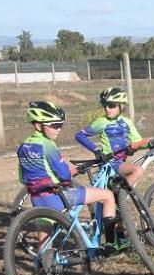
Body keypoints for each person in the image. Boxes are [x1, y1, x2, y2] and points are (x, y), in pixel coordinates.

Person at [17, 101, 124, 249]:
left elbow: (23, 178)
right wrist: (73, 172)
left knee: (44, 245)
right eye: (54, 125)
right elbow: (64, 175)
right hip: (56, 197)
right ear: (38, 125)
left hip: (36, 198)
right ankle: (113, 243)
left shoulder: (23, 147)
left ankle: (44, 265)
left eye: (60, 124)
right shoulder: (48, 145)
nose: (59, 129)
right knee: (107, 196)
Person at [74, 87, 154, 187]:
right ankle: (118, 192)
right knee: (138, 170)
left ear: (122, 106)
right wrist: (96, 150)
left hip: (121, 162)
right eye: (104, 105)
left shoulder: (127, 122)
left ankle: (117, 195)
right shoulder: (102, 122)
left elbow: (138, 142)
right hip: (111, 163)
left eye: (111, 105)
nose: (107, 108)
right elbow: (80, 135)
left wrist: (151, 143)